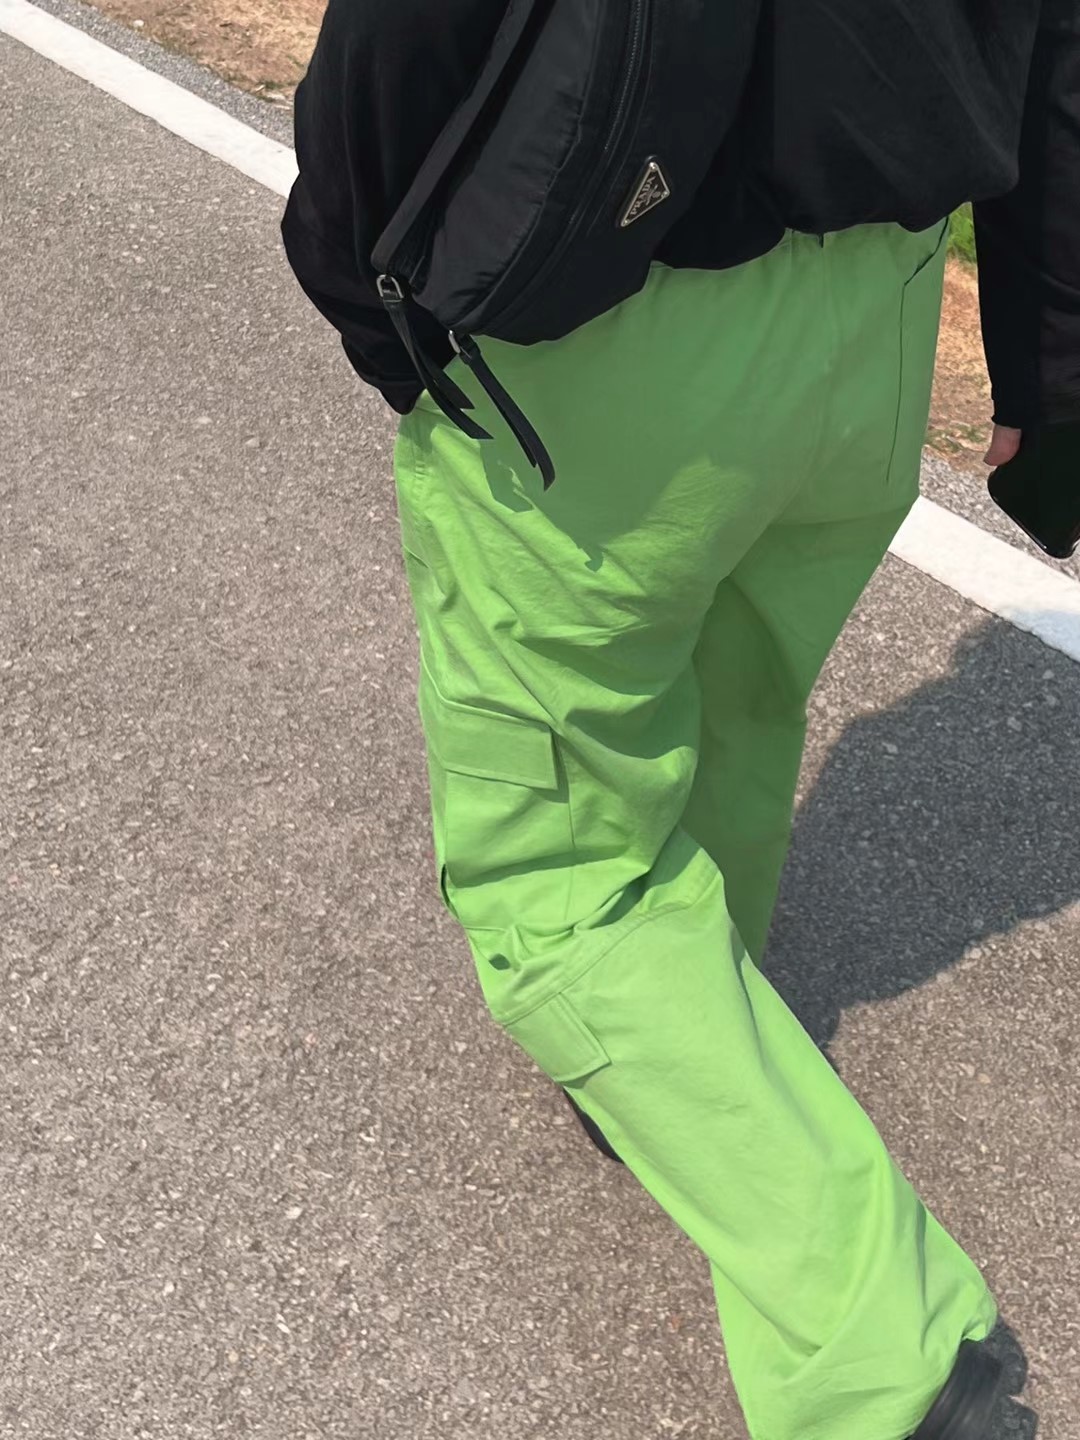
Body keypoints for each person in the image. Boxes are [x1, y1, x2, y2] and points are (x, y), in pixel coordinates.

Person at [282, 4, 1079, 1437]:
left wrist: (368, 286)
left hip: (623, 316)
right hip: (885, 313)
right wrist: (1050, 361)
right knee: (737, 696)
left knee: (560, 881)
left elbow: (407, 40)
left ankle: (888, 1368)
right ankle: (681, 1058)